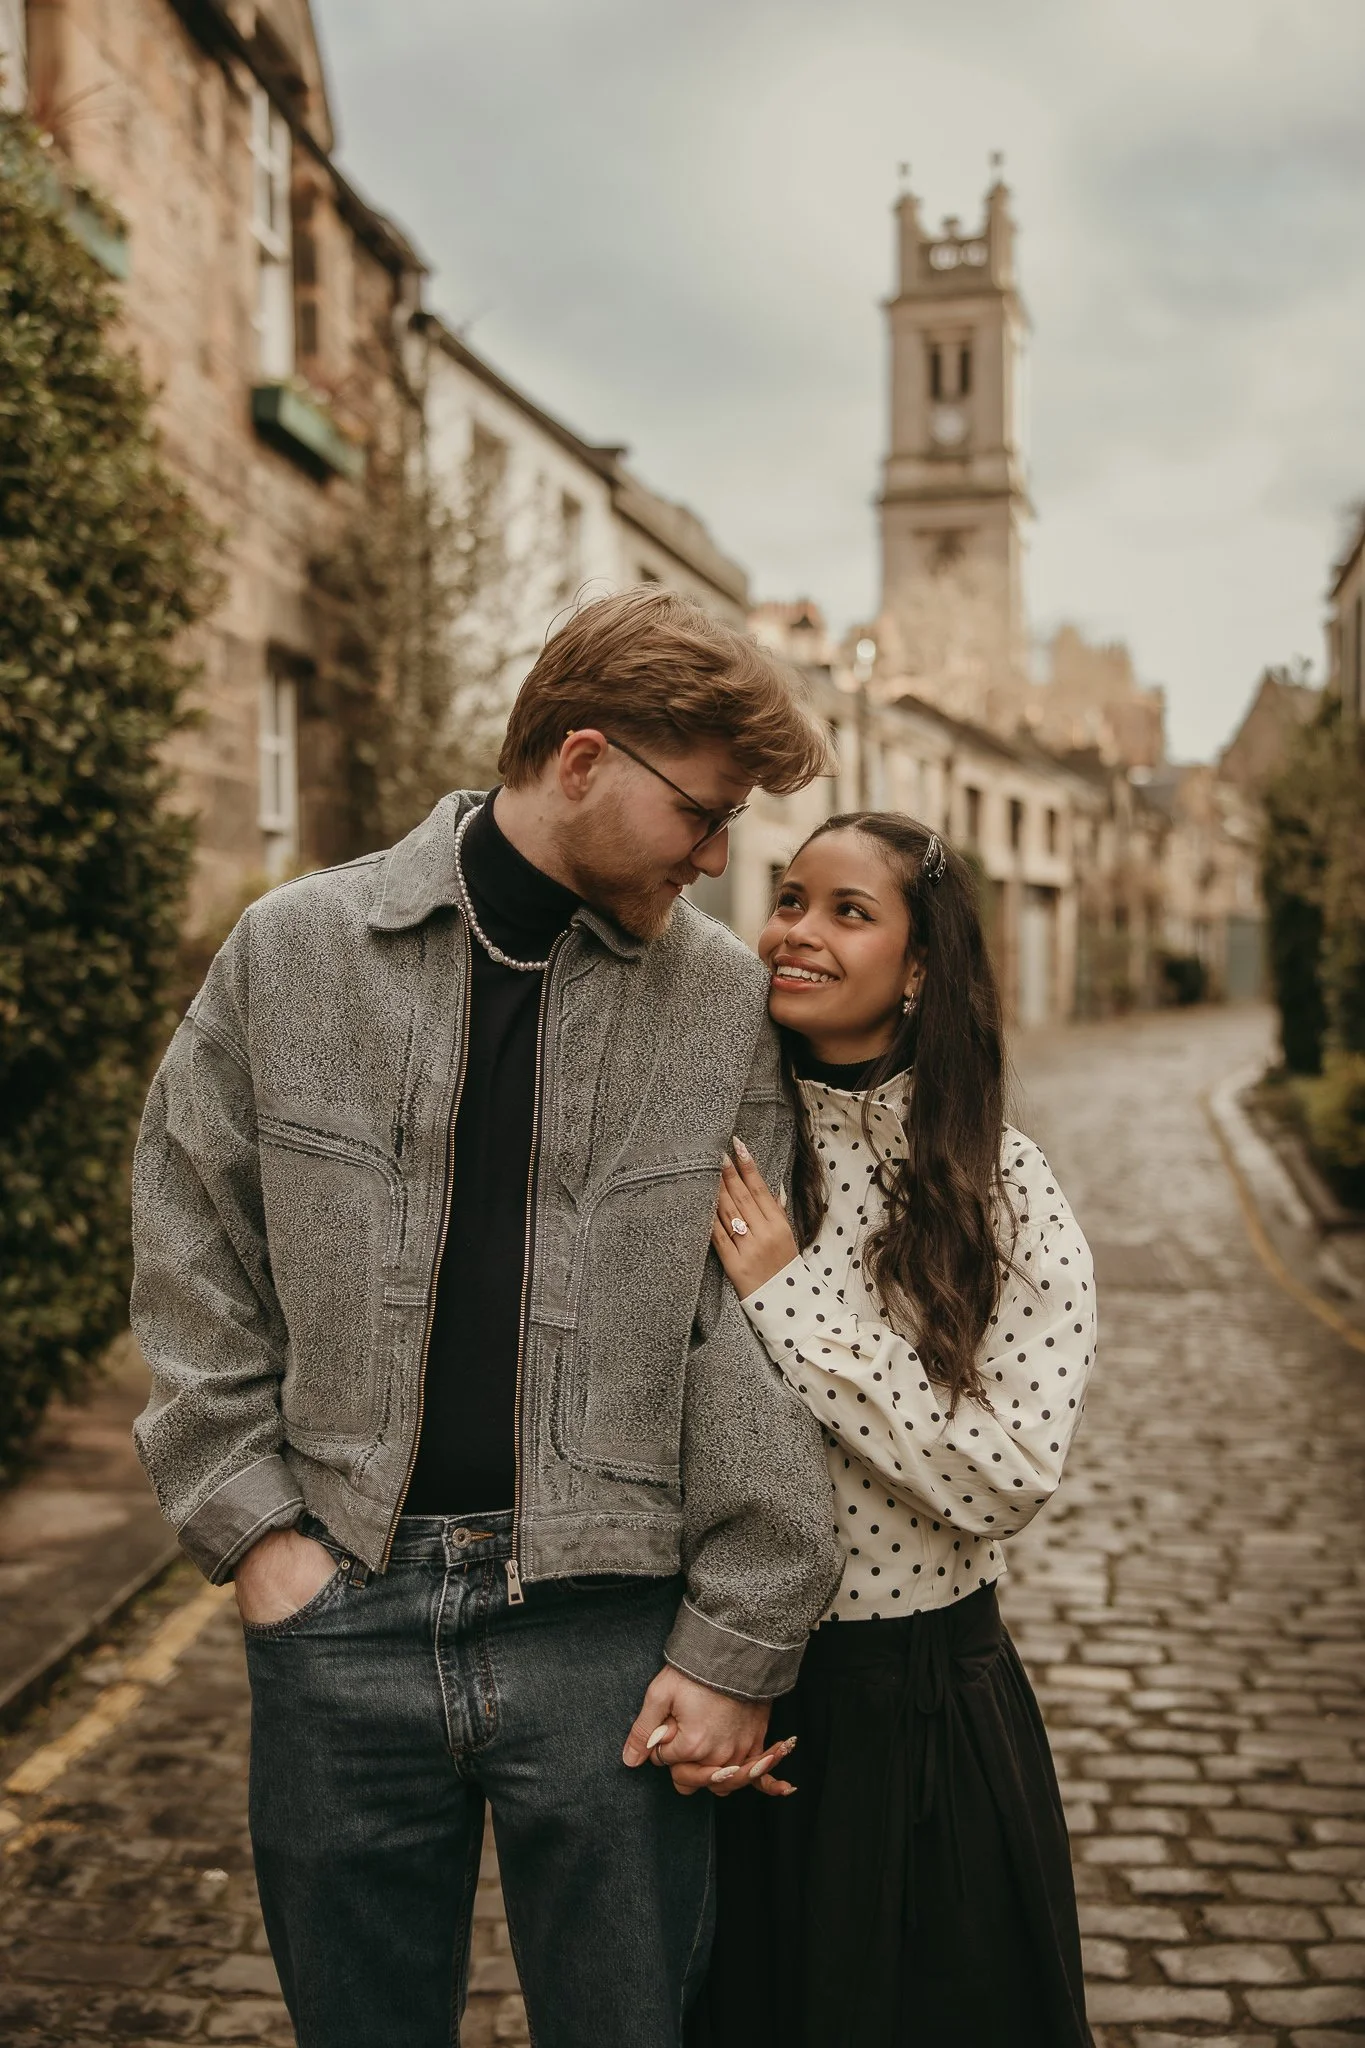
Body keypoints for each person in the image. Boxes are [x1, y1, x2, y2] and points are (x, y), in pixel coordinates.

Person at [129, 587, 843, 2048]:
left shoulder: (719, 1006)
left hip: (609, 1633)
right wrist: (259, 1536)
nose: (719, 862)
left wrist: (732, 1646)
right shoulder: (295, 950)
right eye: (701, 815)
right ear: (580, 760)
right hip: (342, 1613)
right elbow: (190, 1229)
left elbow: (761, 1330)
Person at [695, 811, 1096, 2048]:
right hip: (723, 1701)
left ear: (922, 967)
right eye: (789, 896)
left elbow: (1005, 1474)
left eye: (847, 910)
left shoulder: (1000, 1187)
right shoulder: (720, 1147)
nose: (796, 931)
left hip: (920, 1712)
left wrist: (793, 1297)